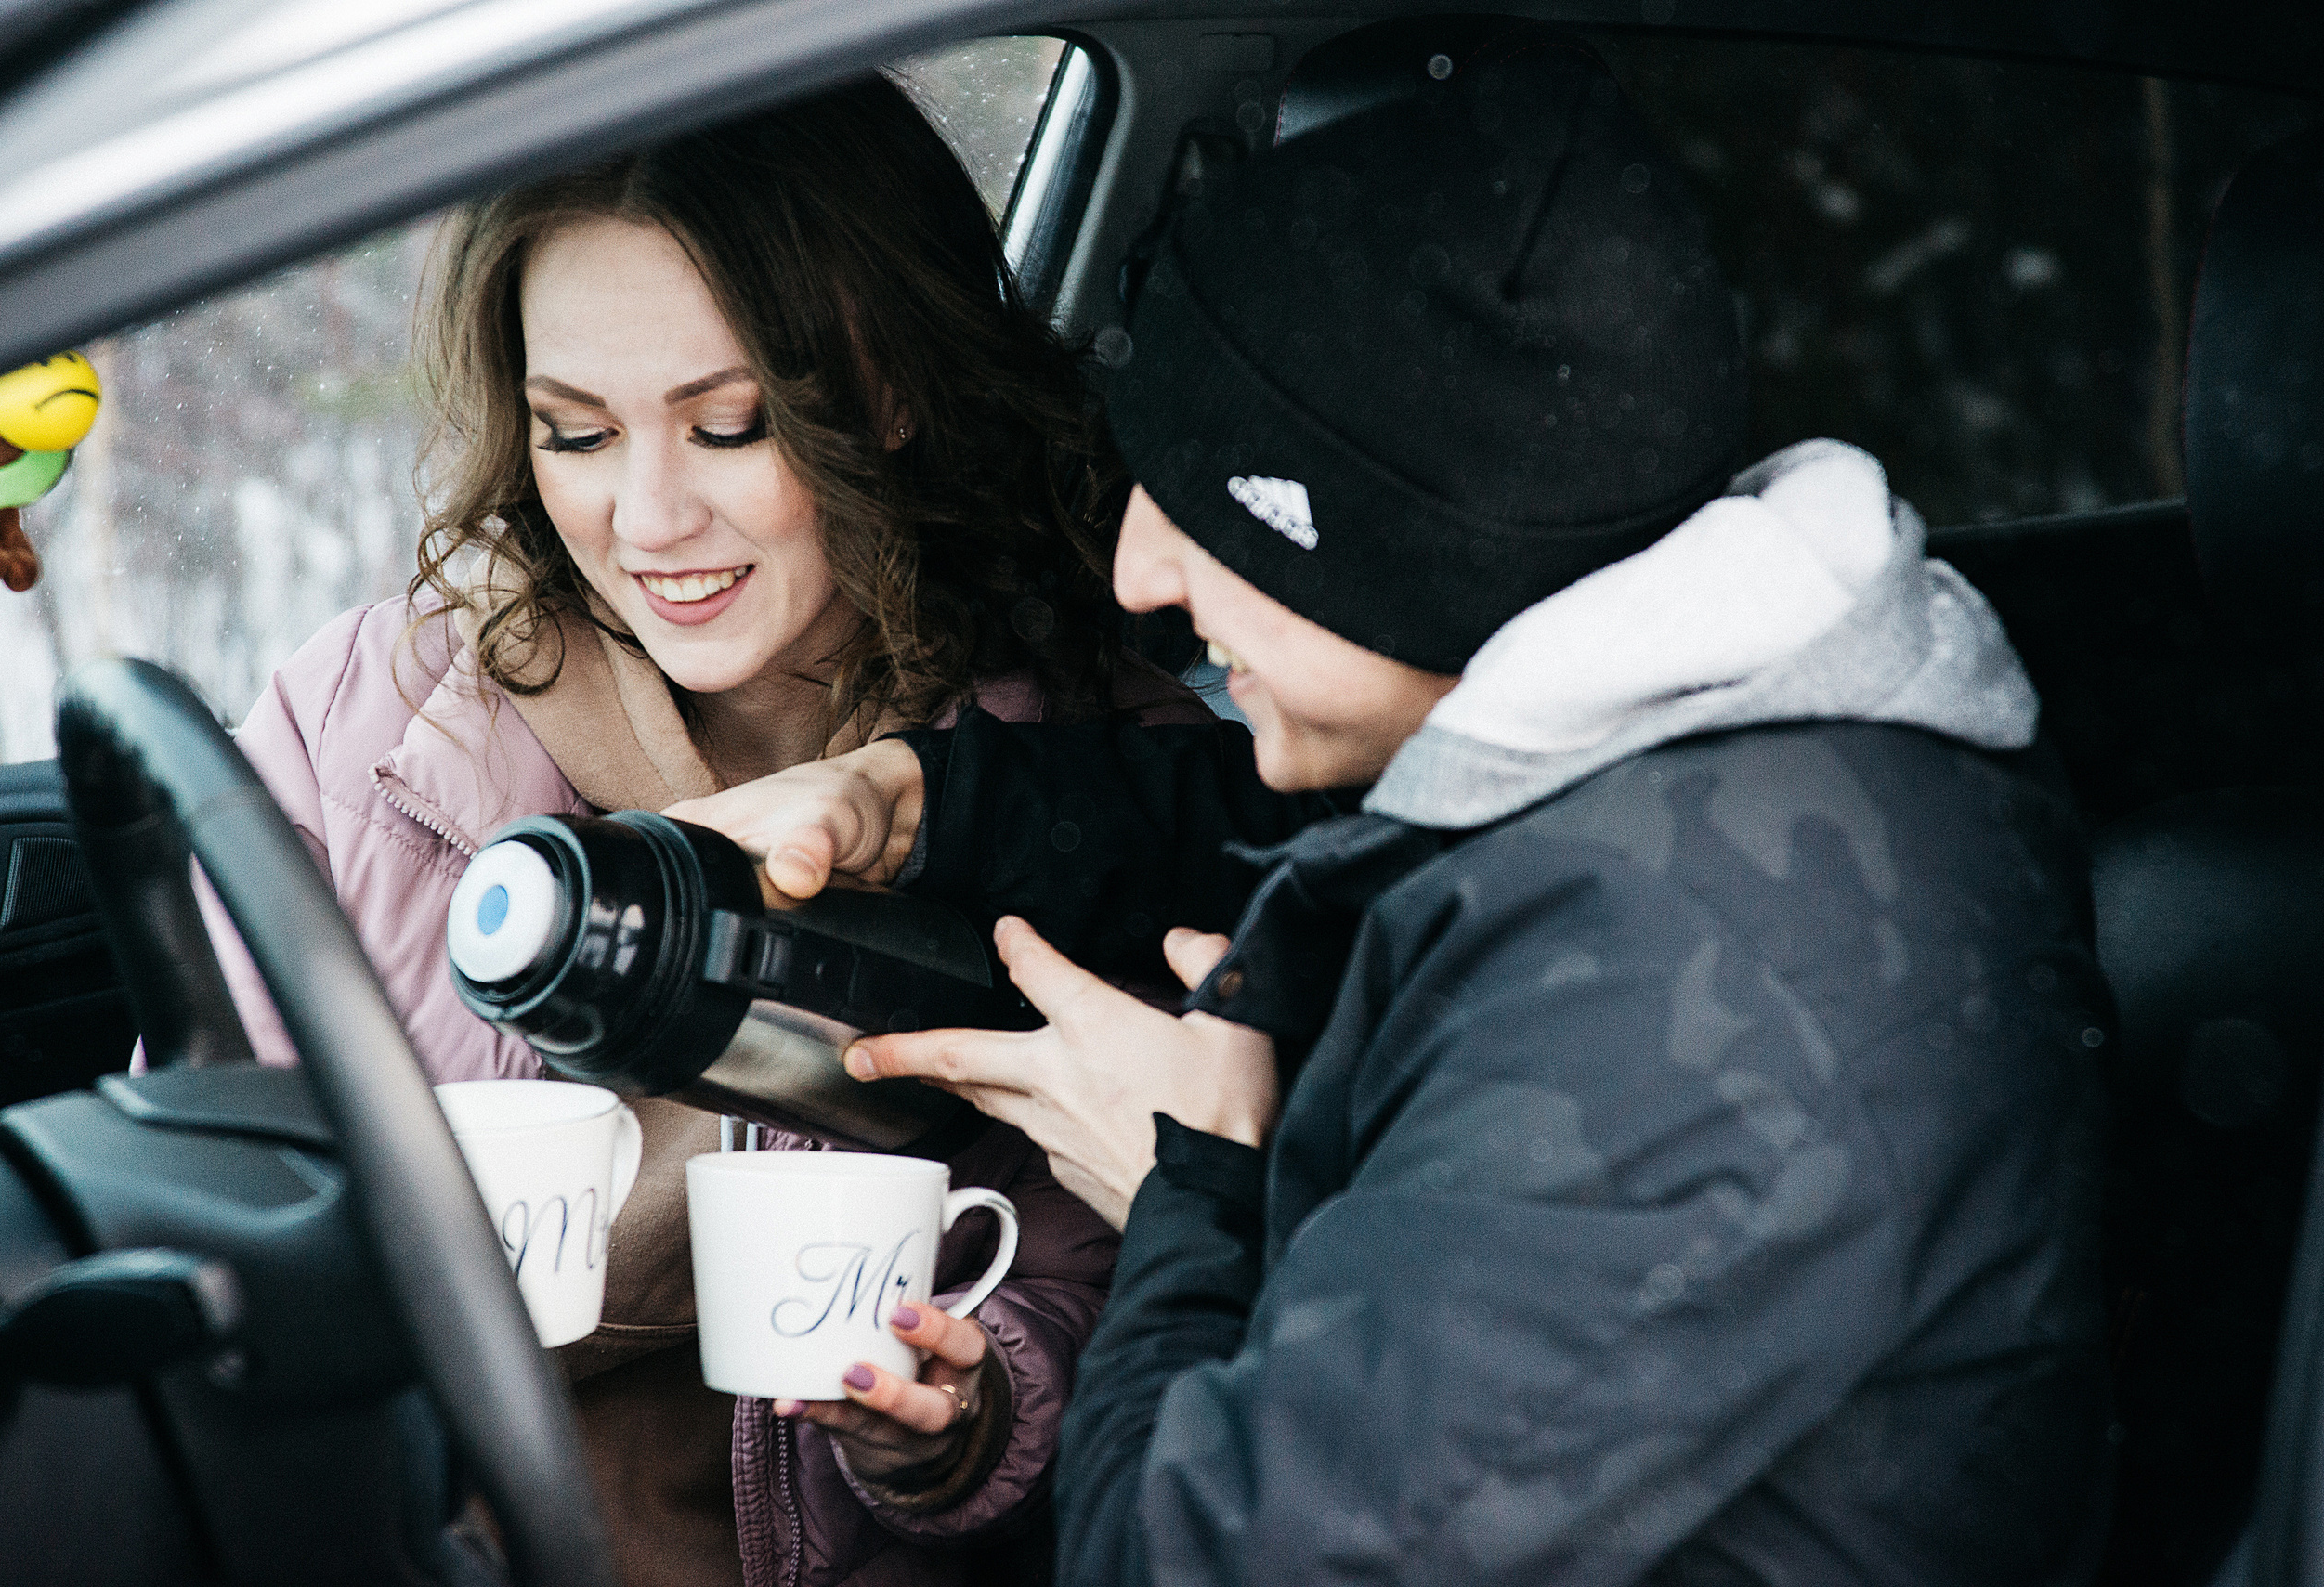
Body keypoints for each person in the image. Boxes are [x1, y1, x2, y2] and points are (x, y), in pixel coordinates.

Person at [721, 34, 2115, 1583]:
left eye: (1208, 509)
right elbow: (1326, 852)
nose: (1137, 577)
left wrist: (1202, 1179)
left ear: (1402, 556)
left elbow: (1194, 1560)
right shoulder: (1681, 787)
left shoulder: (1687, 1010)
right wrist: (935, 800)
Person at [199, 77, 1219, 1587]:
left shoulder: (1104, 780)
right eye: (577, 432)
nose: (649, 517)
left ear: (885, 387)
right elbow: (212, 1177)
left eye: (727, 424)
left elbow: (1103, 1271)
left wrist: (952, 1422)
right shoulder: (373, 718)